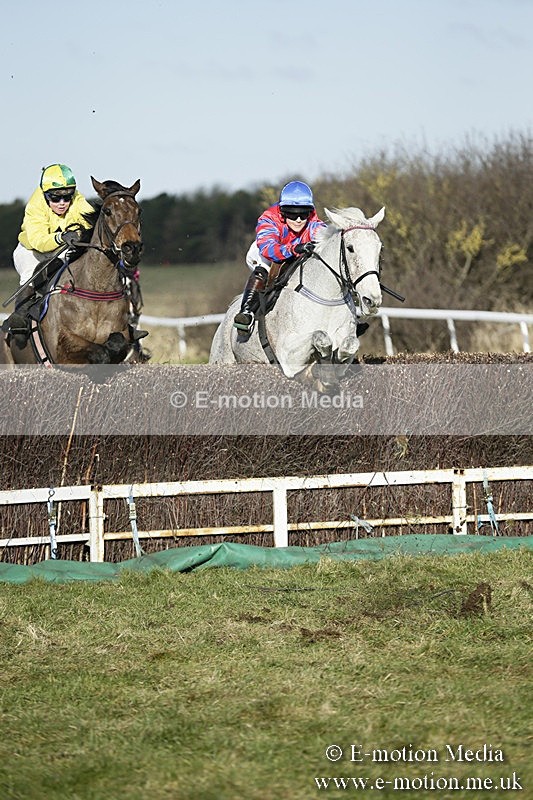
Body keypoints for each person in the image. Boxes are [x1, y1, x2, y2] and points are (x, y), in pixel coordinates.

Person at [3, 164, 95, 341]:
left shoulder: (77, 200)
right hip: (31, 251)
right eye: (55, 198)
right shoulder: (34, 206)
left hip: (60, 250)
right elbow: (39, 241)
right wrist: (62, 237)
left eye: (67, 197)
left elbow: (91, 219)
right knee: (30, 274)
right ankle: (20, 320)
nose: (62, 203)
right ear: (45, 195)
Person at [233, 180, 326, 332]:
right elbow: (269, 249)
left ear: (310, 212)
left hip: (298, 253)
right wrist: (296, 248)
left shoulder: (313, 221)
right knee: (263, 265)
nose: (298, 219)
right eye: (291, 213)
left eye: (303, 214)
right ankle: (246, 312)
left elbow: (325, 235)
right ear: (282, 211)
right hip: (267, 254)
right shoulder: (268, 219)